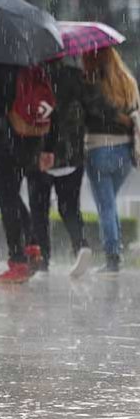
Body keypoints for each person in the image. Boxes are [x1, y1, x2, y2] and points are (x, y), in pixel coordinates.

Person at [0, 62, 45, 284]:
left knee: (7, 200)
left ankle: (17, 260)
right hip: (27, 139)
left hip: (2, 139)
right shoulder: (30, 60)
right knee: (12, 194)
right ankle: (32, 245)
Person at [25, 59, 96, 277]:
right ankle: (81, 245)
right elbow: (90, 113)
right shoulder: (77, 76)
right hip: (71, 155)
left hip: (38, 152)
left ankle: (44, 259)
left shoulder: (32, 75)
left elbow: (33, 111)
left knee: (39, 210)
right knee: (70, 207)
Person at [81, 48, 138, 273]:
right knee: (110, 203)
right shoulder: (127, 82)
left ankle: (113, 257)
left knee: (105, 205)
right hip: (125, 153)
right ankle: (116, 251)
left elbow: (90, 114)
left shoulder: (92, 85)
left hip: (99, 150)